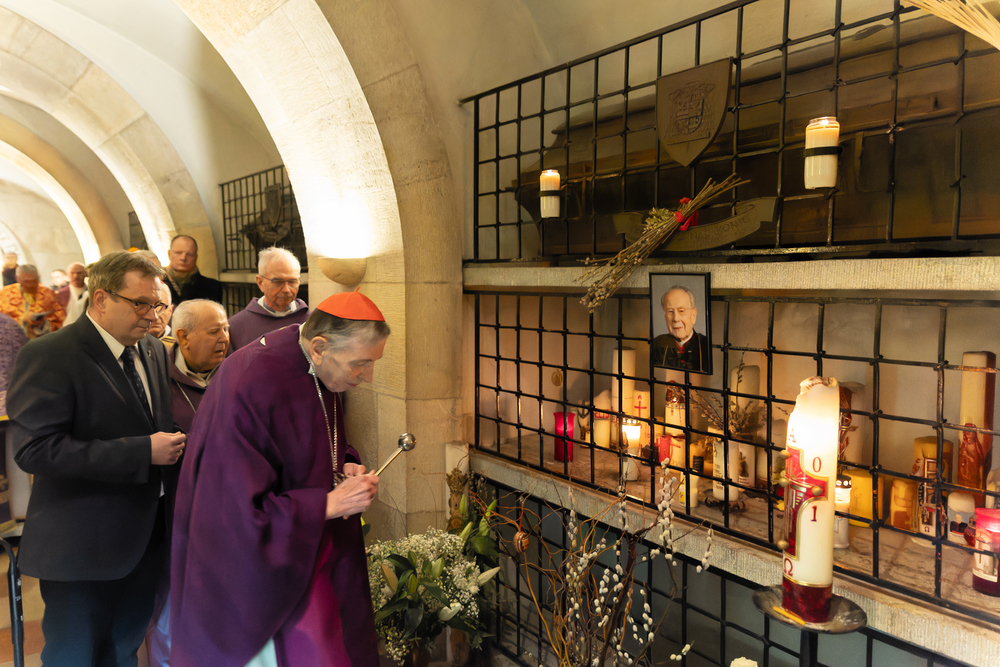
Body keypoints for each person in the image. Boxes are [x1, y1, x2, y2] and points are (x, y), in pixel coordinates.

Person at [171, 290, 386, 667]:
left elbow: (313, 441)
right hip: (268, 576)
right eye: (361, 364)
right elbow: (233, 510)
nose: (367, 376)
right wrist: (326, 504)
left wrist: (345, 463)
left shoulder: (314, 364)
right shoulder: (252, 380)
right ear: (319, 346)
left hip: (313, 546)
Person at [6, 250, 186, 666]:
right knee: (75, 655)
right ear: (101, 299)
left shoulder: (152, 350)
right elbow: (35, 449)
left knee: (124, 649)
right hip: (81, 542)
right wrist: (143, 451)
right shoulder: (51, 353)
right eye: (140, 303)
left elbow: (153, 424)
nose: (152, 316)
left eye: (157, 305)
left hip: (145, 535)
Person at [147, 299, 229, 667]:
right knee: (171, 603)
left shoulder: (239, 371)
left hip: (228, 510)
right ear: (183, 337)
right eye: (214, 331)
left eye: (226, 328)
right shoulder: (156, 379)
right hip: (174, 512)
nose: (224, 338)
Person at [228, 246, 309, 350]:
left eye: (292, 282)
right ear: (260, 282)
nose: (286, 290)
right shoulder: (237, 326)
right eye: (278, 282)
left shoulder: (310, 321)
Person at [651, 285, 710, 372]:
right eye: (670, 311)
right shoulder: (657, 344)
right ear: (665, 316)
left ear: (693, 315)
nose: (675, 319)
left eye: (681, 311)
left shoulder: (706, 345)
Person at [0, 264, 66, 339]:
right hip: (13, 339)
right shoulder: (5, 293)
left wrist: (43, 324)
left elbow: (60, 317)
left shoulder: (47, 293)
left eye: (34, 281)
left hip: (42, 340)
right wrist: (24, 320)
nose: (30, 285)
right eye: (26, 281)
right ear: (18, 278)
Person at [163, 235, 223, 306]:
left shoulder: (212, 287)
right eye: (178, 253)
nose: (183, 258)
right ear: (169, 254)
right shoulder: (157, 284)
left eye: (190, 254)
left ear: (196, 258)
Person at [149, 280, 176, 345]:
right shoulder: (130, 342)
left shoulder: (179, 344)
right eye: (150, 307)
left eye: (162, 308)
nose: (156, 316)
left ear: (171, 310)